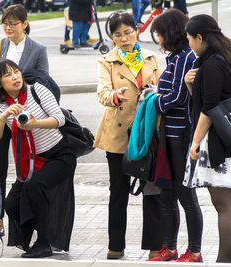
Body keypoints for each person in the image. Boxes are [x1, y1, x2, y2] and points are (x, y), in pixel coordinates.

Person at [0, 59, 76, 258]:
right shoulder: (1, 107)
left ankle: (44, 242)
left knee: (34, 187)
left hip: (59, 155)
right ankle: (47, 232)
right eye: (8, 75)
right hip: (30, 163)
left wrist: (36, 124)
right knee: (11, 204)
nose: (15, 77)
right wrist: (3, 118)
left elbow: (59, 118)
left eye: (16, 72)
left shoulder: (37, 91)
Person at [94, 11, 162, 260]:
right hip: (118, 133)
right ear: (112, 37)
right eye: (117, 34)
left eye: (128, 32)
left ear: (137, 31)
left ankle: (155, 245)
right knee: (118, 191)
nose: (124, 39)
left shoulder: (151, 57)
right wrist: (114, 96)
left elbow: (161, 88)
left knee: (152, 190)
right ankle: (116, 245)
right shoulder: (106, 61)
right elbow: (102, 92)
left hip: (147, 132)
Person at [0, 4, 49, 237]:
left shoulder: (38, 49)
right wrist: (0, 76)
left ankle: (27, 220)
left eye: (13, 23)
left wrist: (19, 80)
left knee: (26, 166)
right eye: (5, 23)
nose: (8, 27)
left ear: (24, 24)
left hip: (25, 115)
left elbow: (45, 81)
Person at [141, 9, 203, 262]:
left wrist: (151, 101)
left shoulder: (185, 57)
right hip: (167, 135)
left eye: (158, 33)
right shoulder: (176, 56)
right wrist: (155, 92)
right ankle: (169, 247)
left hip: (180, 135)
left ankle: (195, 250)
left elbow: (178, 97)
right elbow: (171, 91)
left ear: (169, 33)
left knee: (185, 194)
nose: (157, 39)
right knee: (166, 192)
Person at [183, 14, 231, 263]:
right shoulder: (222, 55)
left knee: (223, 204)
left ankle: (224, 261)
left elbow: (209, 108)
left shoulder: (212, 63)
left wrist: (195, 142)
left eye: (190, 39)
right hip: (225, 137)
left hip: (218, 141)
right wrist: (191, 84)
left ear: (200, 37)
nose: (189, 44)